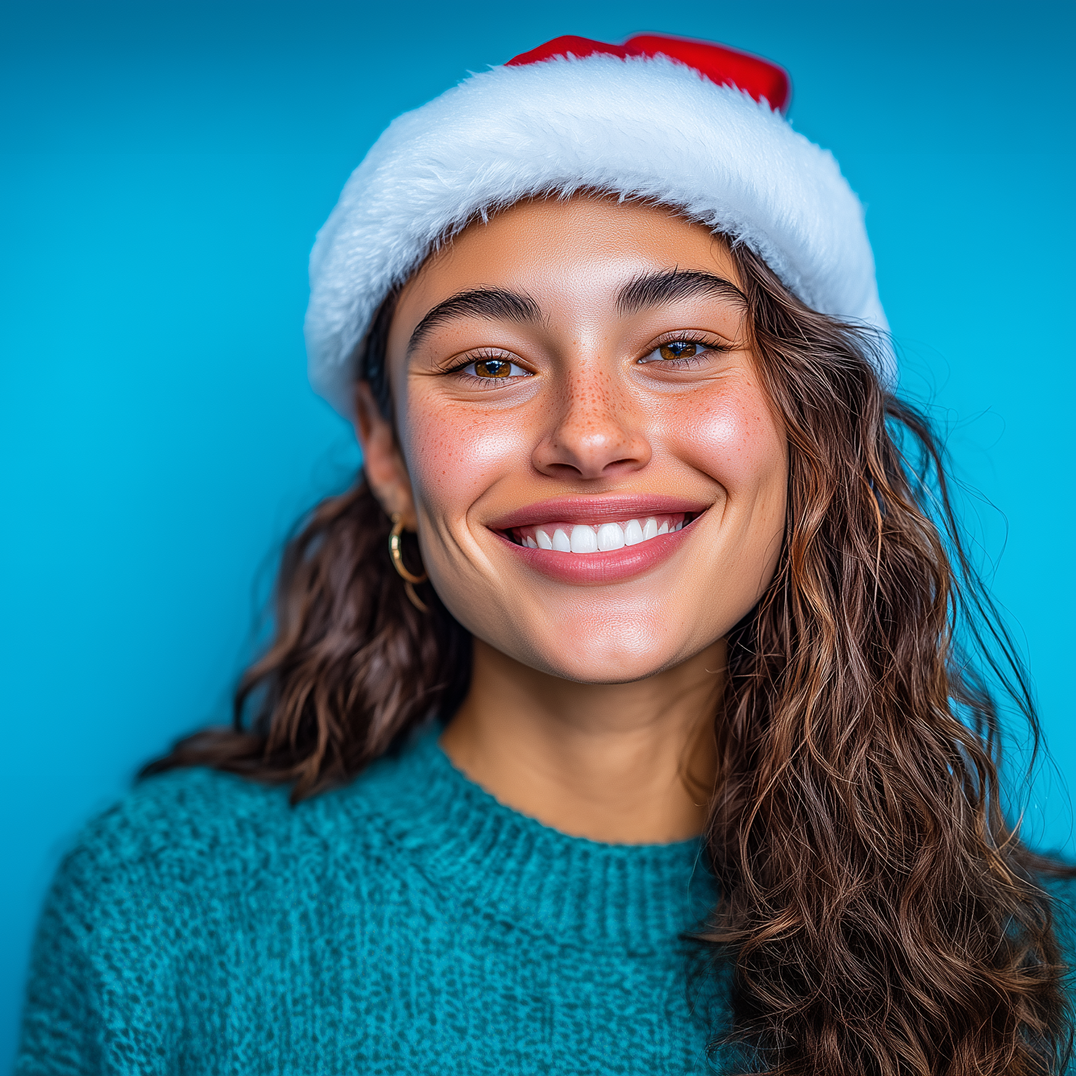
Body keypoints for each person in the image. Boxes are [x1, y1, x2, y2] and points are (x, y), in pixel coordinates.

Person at [15, 33, 1075, 1076]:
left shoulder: (1042, 959)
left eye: (678, 347)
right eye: (487, 363)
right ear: (385, 452)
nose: (588, 434)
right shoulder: (161, 906)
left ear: (810, 426)